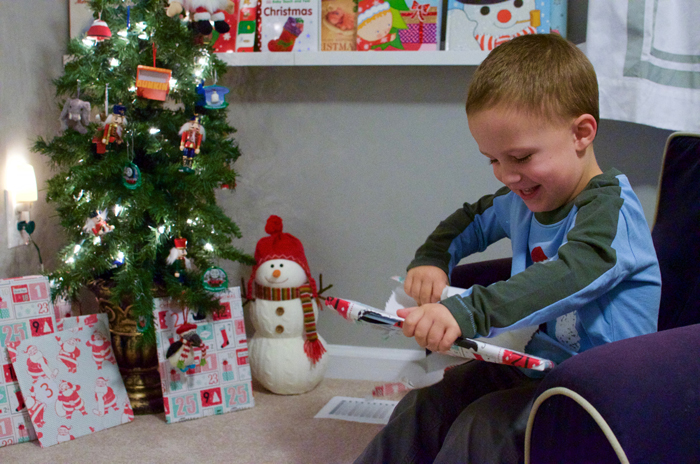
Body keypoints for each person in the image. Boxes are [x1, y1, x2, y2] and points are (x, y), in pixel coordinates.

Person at [355, 33, 661, 464]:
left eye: (520, 157)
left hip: (602, 391)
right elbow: (470, 220)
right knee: (427, 403)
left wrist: (468, 311)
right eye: (493, 159)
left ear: (581, 133)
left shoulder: (611, 212)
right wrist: (433, 259)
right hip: (533, 367)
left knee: (483, 426)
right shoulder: (523, 201)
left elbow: (569, 274)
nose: (506, 175)